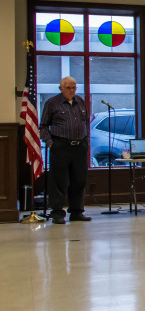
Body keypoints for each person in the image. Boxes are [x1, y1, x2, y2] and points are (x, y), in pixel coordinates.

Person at [39, 77, 91, 224]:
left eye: (74, 87)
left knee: (79, 180)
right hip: (60, 146)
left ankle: (76, 212)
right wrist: (50, 143)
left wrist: (86, 141)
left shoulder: (80, 101)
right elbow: (43, 126)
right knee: (59, 181)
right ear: (61, 88)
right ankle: (57, 212)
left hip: (79, 146)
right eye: (68, 88)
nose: (71, 90)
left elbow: (86, 122)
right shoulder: (52, 103)